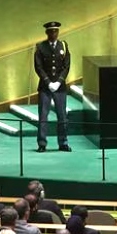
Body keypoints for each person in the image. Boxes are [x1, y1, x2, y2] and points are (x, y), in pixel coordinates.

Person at [33, 22, 71, 153]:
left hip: (59, 87)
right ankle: (42, 143)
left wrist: (59, 82)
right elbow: (38, 67)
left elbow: (66, 66)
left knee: (62, 116)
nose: (53, 34)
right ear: (47, 33)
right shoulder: (40, 47)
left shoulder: (64, 46)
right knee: (43, 116)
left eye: (55, 31)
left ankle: (63, 143)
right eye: (51, 32)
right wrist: (48, 82)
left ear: (58, 32)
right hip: (45, 87)